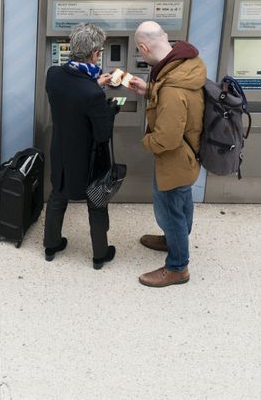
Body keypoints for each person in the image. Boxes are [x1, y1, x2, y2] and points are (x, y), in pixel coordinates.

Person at [123, 21, 206, 287]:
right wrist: (147, 90)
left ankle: (177, 267)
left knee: (170, 208)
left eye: (140, 51)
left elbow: (167, 138)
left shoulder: (171, 88)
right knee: (182, 202)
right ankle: (173, 239)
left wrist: (147, 142)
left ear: (144, 47)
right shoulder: (185, 66)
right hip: (189, 154)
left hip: (175, 158)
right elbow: (178, 103)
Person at [43, 23, 119, 269]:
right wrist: (111, 107)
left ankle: (51, 245)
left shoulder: (53, 75)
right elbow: (102, 134)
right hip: (89, 159)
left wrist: (96, 83)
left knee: (58, 197)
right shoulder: (93, 94)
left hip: (62, 152)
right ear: (94, 53)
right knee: (96, 204)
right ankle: (100, 254)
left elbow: (72, 96)